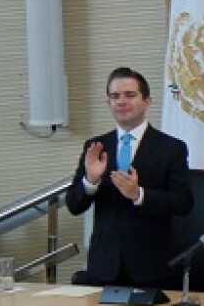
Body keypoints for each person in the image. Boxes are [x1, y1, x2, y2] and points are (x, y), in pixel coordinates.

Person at [65, 67, 193, 289]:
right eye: (115, 97)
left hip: (151, 267)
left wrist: (139, 195)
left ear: (147, 102)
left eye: (130, 95)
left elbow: (183, 203)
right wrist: (90, 182)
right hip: (103, 267)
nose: (121, 102)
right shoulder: (96, 146)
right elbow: (74, 205)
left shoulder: (171, 148)